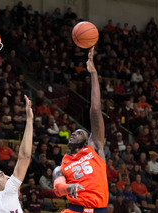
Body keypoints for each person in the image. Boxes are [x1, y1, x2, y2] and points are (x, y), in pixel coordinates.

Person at [53, 47, 108, 212]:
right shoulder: (62, 165)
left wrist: (93, 74)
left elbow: (95, 110)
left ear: (87, 140)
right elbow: (58, 186)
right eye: (73, 132)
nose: (73, 133)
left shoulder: (95, 148)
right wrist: (68, 188)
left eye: (79, 132)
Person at [0, 95, 33, 212]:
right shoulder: (7, 192)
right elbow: (25, 157)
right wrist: (29, 119)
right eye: (2, 175)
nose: (8, 177)